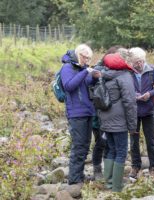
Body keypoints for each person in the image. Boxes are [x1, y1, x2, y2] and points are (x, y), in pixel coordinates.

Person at [60, 44, 101, 197]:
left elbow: (86, 84)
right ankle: (74, 180)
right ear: (79, 55)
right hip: (76, 113)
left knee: (84, 146)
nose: (87, 61)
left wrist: (94, 78)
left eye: (89, 58)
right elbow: (69, 86)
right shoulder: (67, 68)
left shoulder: (82, 69)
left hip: (88, 111)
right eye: (86, 58)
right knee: (78, 147)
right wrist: (85, 72)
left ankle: (80, 176)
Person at [99, 49, 137, 192]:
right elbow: (130, 102)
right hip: (119, 121)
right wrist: (132, 126)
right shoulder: (125, 76)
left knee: (111, 150)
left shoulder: (105, 75)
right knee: (121, 151)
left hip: (106, 119)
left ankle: (109, 183)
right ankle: (116, 187)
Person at [127, 47, 154, 179]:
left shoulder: (152, 70)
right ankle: (135, 166)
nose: (139, 64)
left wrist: (150, 94)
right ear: (131, 62)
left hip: (148, 109)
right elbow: (124, 89)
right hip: (133, 111)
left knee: (150, 139)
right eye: (136, 62)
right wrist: (132, 95)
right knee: (134, 140)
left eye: (141, 61)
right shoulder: (128, 72)